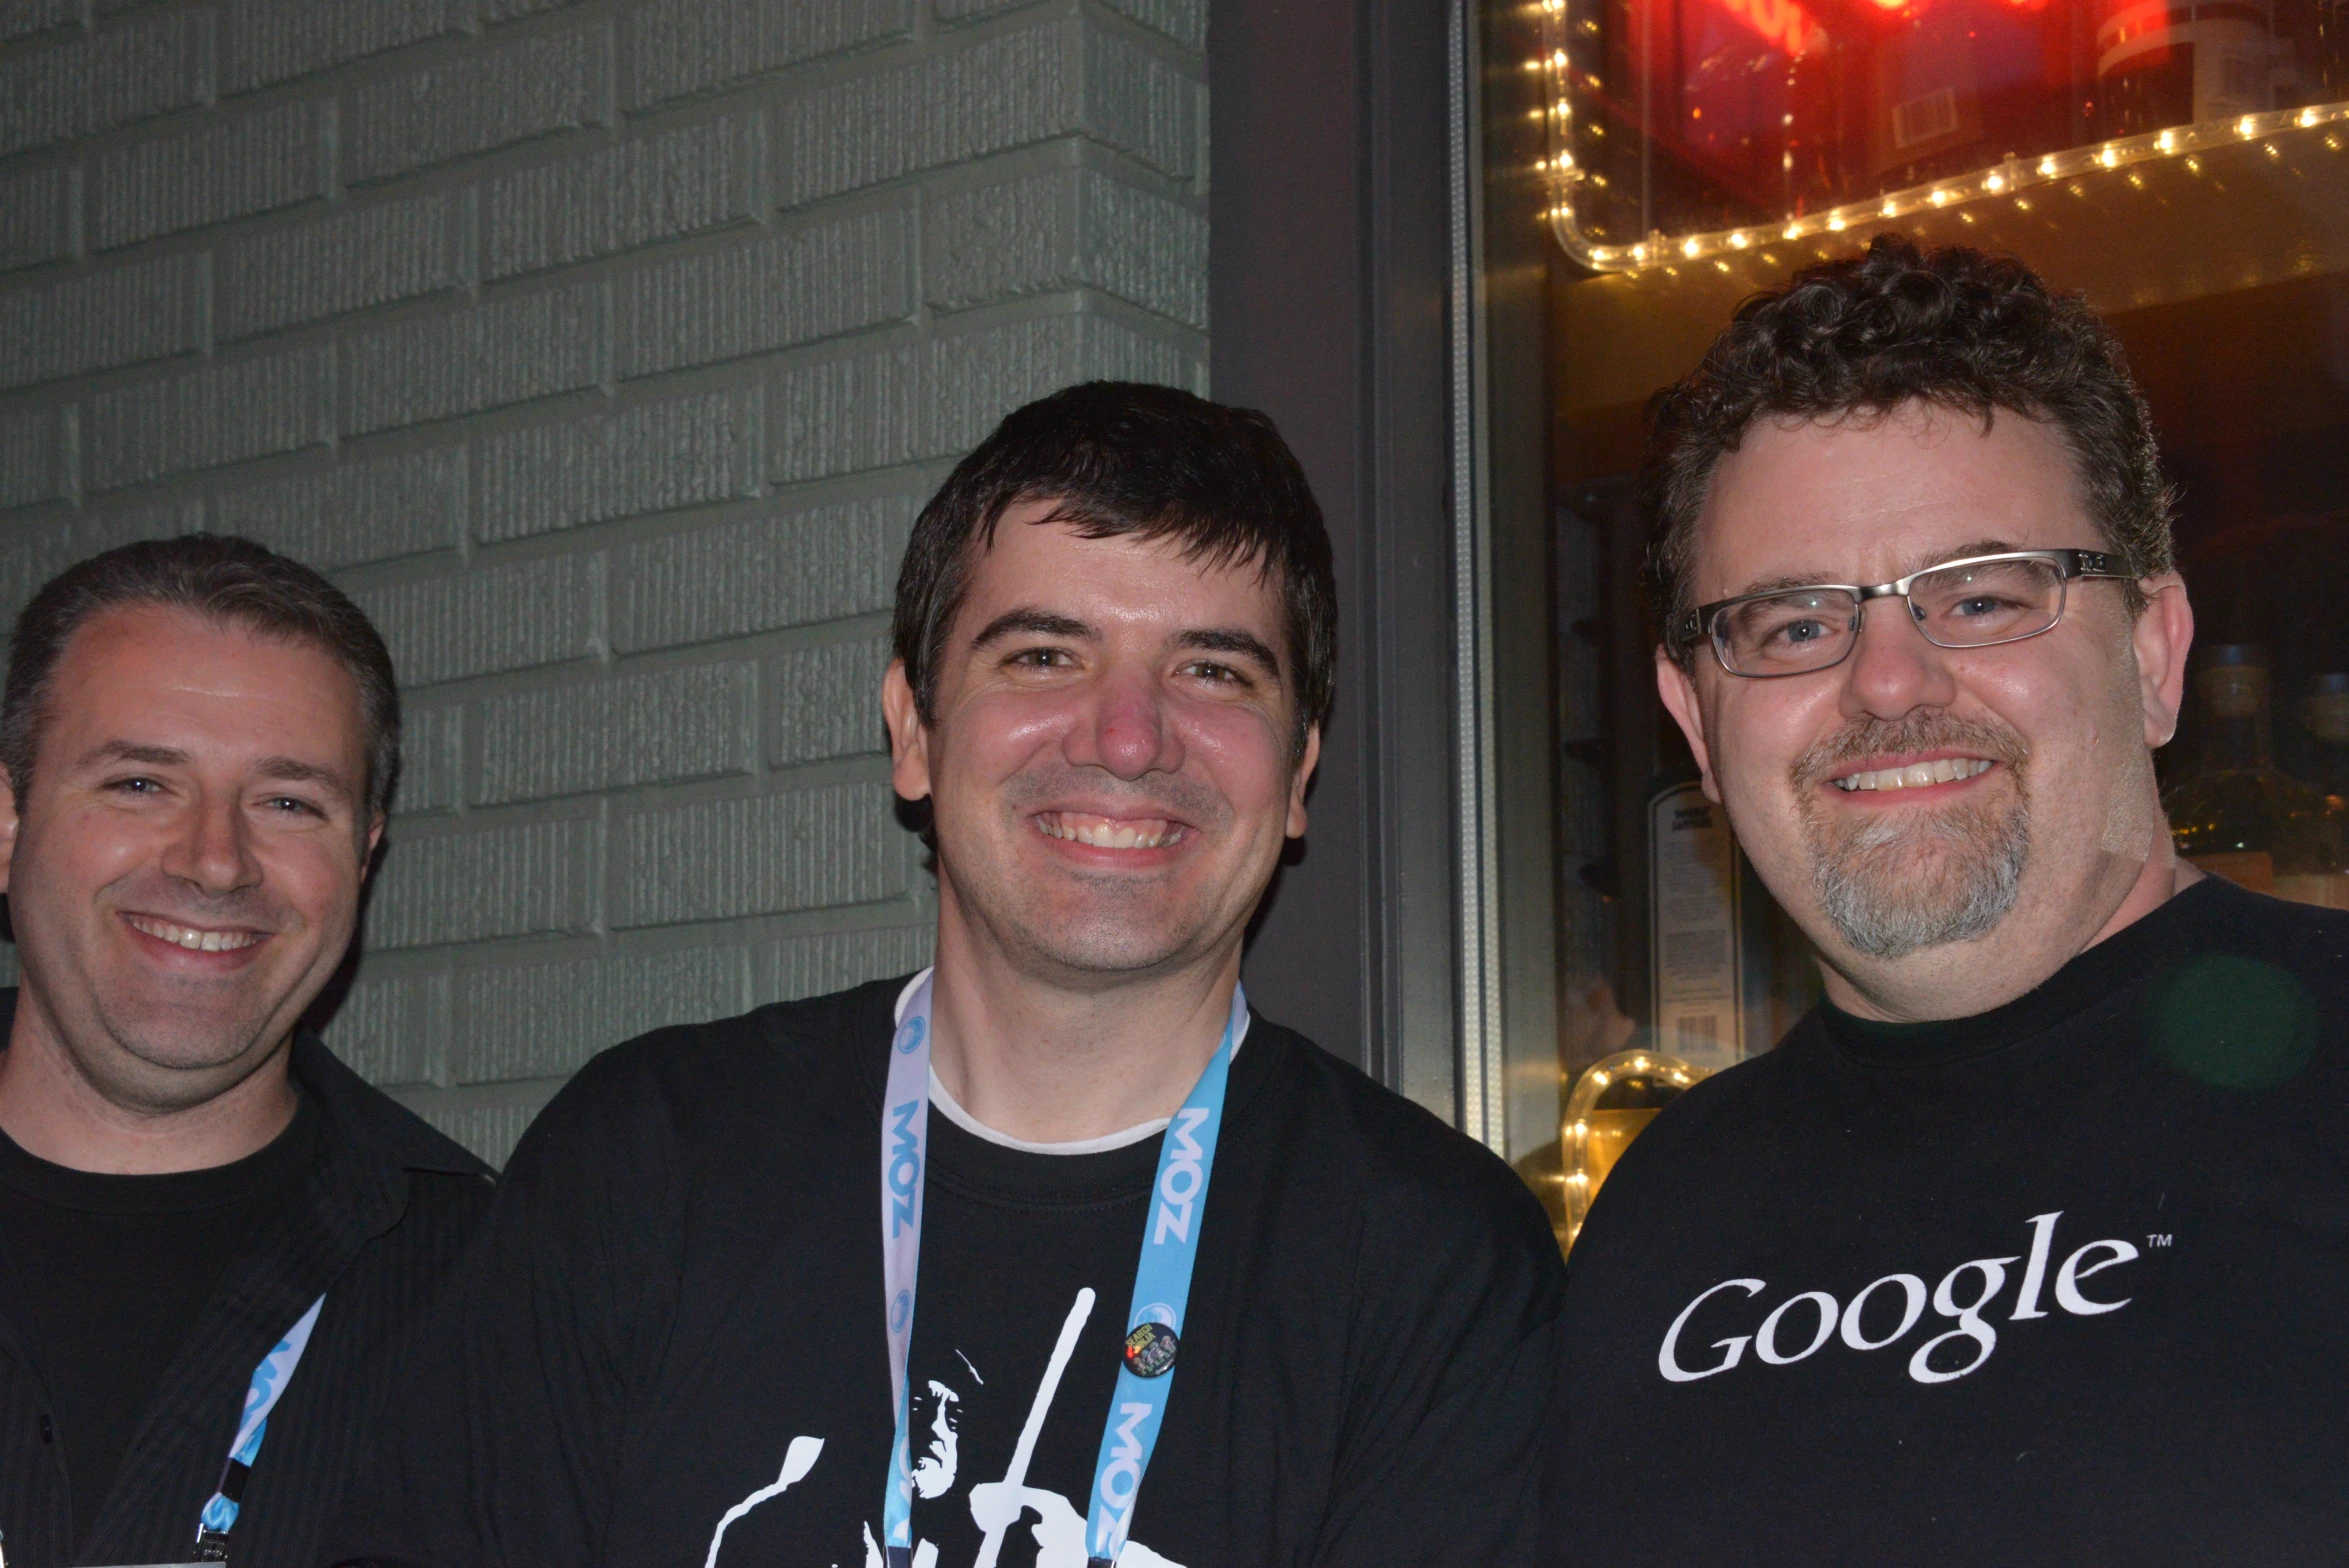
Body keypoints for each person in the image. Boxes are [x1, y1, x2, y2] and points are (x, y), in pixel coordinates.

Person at [327, 382, 1565, 1566]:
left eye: (1212, 669)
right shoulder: (649, 1158)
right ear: (914, 733)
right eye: (1042, 656)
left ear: (1297, 773)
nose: (1127, 736)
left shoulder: (1436, 1261)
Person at [1555, 235, 2349, 1563]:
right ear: (1694, 719)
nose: (1886, 682)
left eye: (1980, 598)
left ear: (2154, 654)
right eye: (1794, 624)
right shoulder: (1660, 1217)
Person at [0, 536, 492, 1567]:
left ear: (363, 854)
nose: (215, 861)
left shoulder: (497, 1289)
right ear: (8, 821)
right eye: (141, 782)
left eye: (287, 802)